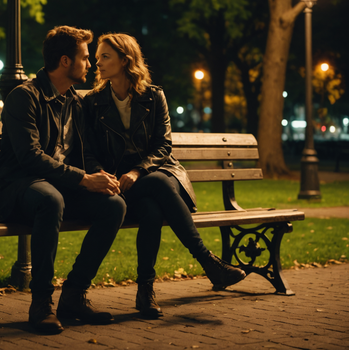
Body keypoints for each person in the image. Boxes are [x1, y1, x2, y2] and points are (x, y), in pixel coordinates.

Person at [83, 33, 246, 319]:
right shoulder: (93, 102)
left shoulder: (153, 96)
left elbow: (163, 146)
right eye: (96, 57)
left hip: (153, 173)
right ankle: (207, 264)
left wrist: (138, 170)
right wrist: (104, 175)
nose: (97, 62)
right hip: (117, 182)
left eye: (105, 56)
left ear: (125, 60)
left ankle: (146, 290)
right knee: (155, 192)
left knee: (151, 209)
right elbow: (89, 151)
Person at [0, 26, 126, 334]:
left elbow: (84, 154)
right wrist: (82, 179)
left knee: (113, 205)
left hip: (55, 188)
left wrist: (99, 177)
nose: (91, 65)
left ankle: (74, 295)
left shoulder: (75, 102)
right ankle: (41, 304)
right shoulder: (24, 97)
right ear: (65, 61)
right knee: (50, 199)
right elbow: (29, 158)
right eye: (85, 58)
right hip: (15, 190)